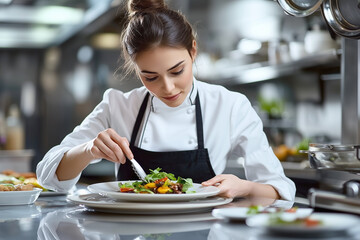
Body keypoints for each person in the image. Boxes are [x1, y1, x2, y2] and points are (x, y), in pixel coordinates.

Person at [36, 0, 296, 201]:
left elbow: (281, 188)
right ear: (136, 69)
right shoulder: (118, 105)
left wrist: (245, 187)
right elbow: (49, 176)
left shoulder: (229, 106)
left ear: (193, 50)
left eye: (177, 71)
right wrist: (89, 149)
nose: (168, 88)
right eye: (150, 77)